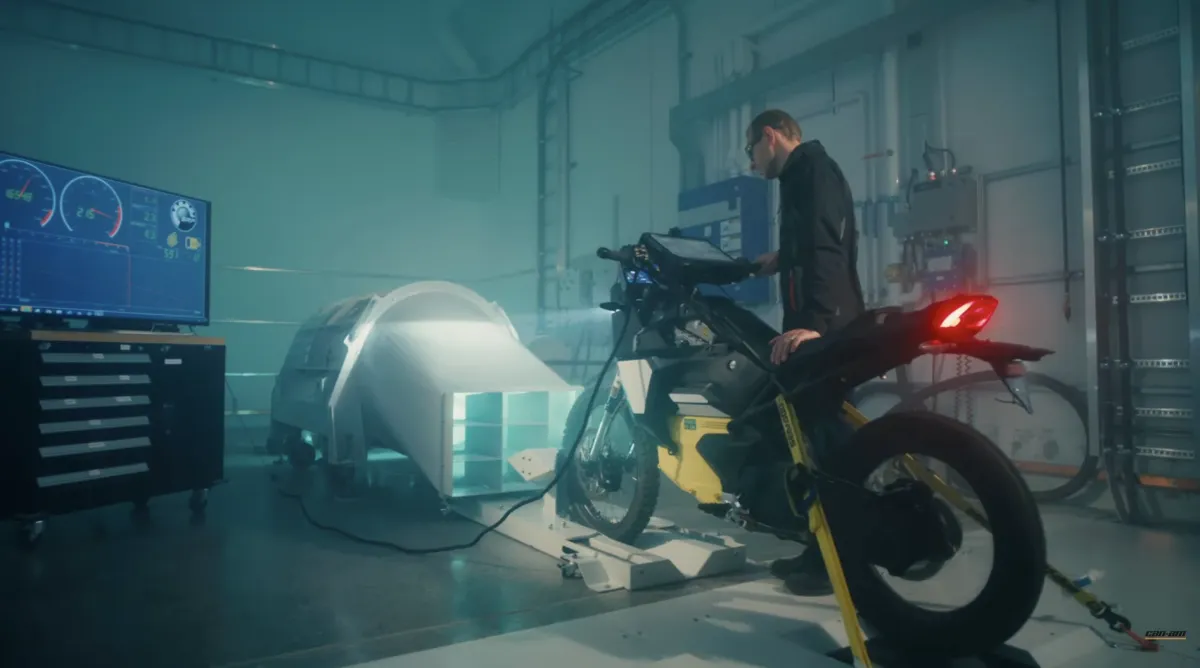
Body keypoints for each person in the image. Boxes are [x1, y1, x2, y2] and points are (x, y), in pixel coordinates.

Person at [745, 109, 865, 596]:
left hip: (824, 325)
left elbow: (827, 251)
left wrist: (814, 325)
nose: (752, 163)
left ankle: (839, 561)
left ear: (769, 137)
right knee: (809, 444)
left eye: (751, 151)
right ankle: (819, 549)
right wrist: (782, 259)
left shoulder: (812, 171)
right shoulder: (801, 174)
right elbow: (812, 244)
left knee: (826, 448)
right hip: (818, 320)